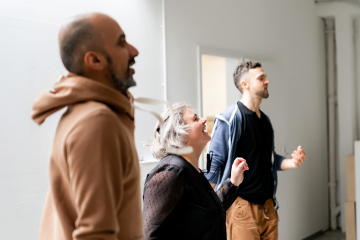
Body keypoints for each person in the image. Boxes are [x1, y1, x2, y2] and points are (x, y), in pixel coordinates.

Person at [31, 13, 143, 240]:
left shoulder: (93, 113)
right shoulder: (98, 121)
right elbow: (95, 234)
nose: (134, 51)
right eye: (122, 43)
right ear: (95, 61)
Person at [205, 61, 306, 240]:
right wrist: (208, 209)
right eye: (261, 78)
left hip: (268, 206)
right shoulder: (229, 118)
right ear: (245, 85)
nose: (267, 81)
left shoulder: (265, 120)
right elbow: (215, 164)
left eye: (265, 77)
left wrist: (293, 162)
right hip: (241, 208)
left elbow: (269, 158)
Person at [142, 102, 249, 240]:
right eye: (195, 119)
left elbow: (209, 211)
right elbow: (150, 235)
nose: (204, 120)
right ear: (180, 133)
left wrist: (233, 182)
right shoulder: (171, 172)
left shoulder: (191, 170)